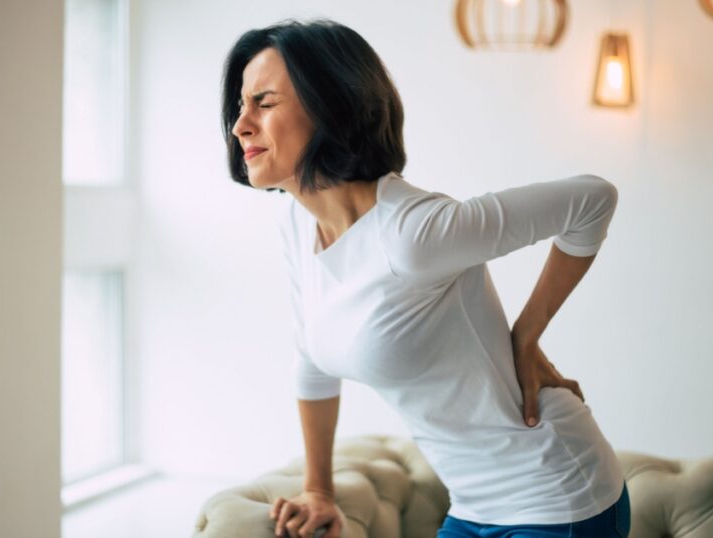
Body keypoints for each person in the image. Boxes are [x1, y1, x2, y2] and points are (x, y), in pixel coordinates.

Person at [221, 18, 631, 538]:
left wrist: (526, 335)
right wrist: (318, 490)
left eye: (265, 102)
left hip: (558, 497)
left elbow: (592, 199)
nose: (241, 125)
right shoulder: (298, 226)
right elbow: (313, 363)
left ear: (330, 106)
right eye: (240, 105)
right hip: (472, 506)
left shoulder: (411, 233)